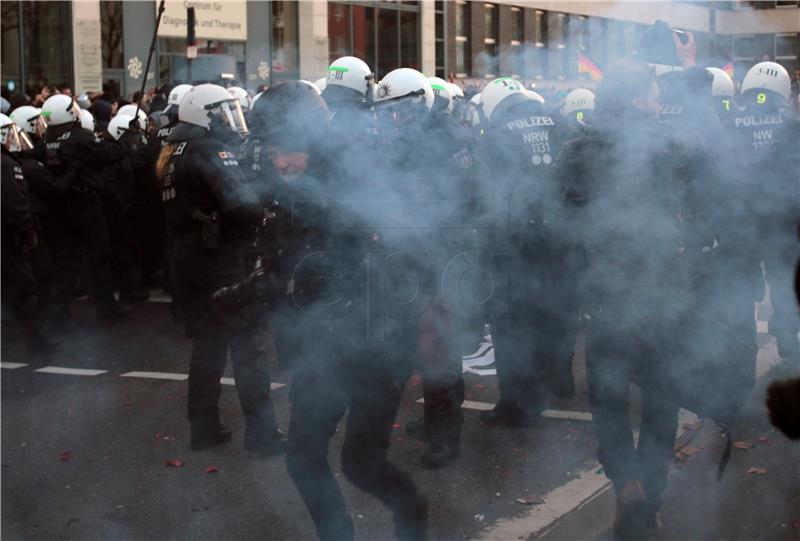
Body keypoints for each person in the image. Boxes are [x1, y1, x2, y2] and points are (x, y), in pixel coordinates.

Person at [250, 78, 427, 540]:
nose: (279, 160)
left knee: (362, 463)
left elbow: (401, 258)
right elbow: (284, 262)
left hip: (372, 346)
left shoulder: (359, 176)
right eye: (270, 152)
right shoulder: (292, 187)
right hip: (322, 349)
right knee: (304, 457)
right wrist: (252, 288)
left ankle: (413, 516)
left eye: (286, 148)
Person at [554, 61, 693, 539]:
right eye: (653, 93)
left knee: (609, 401)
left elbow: (562, 221)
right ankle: (648, 498)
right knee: (660, 400)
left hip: (607, 294)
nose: (658, 101)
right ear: (637, 100)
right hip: (662, 295)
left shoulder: (576, 152)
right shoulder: (668, 148)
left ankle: (628, 486)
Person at [160, 83, 282, 454]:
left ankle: (204, 428)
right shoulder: (210, 149)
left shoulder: (172, 149)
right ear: (204, 115)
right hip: (220, 259)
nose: (231, 119)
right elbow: (240, 203)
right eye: (222, 112)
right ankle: (262, 436)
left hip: (187, 258)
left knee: (208, 346)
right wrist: (267, 213)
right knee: (248, 344)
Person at [478, 78, 577, 428]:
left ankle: (518, 404)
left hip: (517, 240)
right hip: (563, 236)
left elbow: (489, 190)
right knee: (560, 310)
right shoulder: (558, 119)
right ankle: (561, 380)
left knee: (512, 324)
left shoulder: (496, 133)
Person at [726, 61, 800, 366]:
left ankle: (738, 355)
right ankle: (786, 339)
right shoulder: (793, 124)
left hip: (743, 219)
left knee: (742, 287)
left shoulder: (731, 121)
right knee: (784, 283)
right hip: (782, 220)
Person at [37, 94, 130, 323]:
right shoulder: (81, 137)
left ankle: (59, 313)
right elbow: (111, 154)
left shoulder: (45, 141)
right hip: (86, 206)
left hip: (59, 210)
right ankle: (106, 310)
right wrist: (125, 137)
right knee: (99, 257)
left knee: (65, 262)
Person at [1, 114, 58, 352]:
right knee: (24, 288)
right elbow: (16, 206)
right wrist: (28, 233)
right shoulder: (6, 164)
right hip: (7, 239)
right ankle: (37, 342)